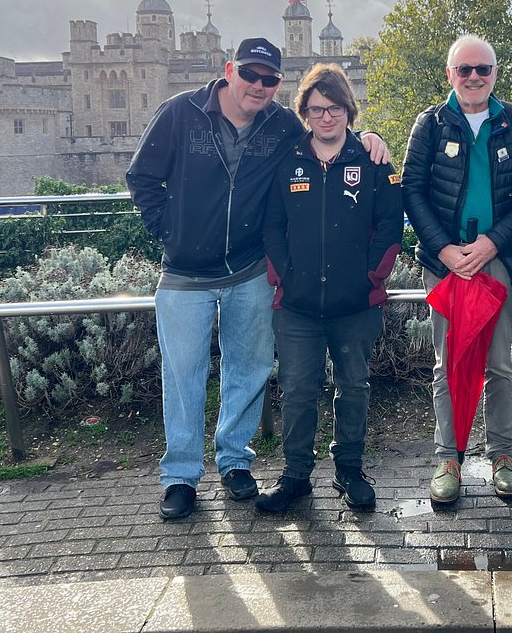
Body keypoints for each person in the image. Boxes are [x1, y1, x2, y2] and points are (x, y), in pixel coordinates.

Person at [126, 38, 389, 521]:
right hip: (185, 271)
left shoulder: (280, 123)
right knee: (183, 376)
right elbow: (142, 177)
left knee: (247, 371)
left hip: (248, 269)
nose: (259, 86)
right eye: (250, 74)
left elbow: (329, 128)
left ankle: (233, 462)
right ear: (230, 70)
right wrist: (170, 230)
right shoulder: (179, 113)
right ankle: (181, 475)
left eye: (270, 79)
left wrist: (370, 136)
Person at [402, 34, 512, 504]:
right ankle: (449, 458)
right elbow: (413, 193)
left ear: (495, 74)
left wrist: (491, 243)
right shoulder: (430, 124)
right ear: (450, 75)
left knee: (499, 364)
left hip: (496, 261)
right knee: (449, 364)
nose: (474, 77)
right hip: (444, 265)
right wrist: (443, 249)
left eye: (483, 69)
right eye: (464, 70)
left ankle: (503, 454)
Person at [256, 64, 404, 513]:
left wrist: (370, 279)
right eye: (317, 109)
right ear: (304, 112)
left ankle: (350, 470)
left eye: (334, 108)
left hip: (356, 305)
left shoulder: (374, 161)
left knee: (353, 387)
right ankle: (296, 476)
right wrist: (285, 277)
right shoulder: (286, 162)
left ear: (348, 110)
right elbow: (271, 228)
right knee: (298, 389)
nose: (326, 117)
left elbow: (390, 227)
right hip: (297, 307)